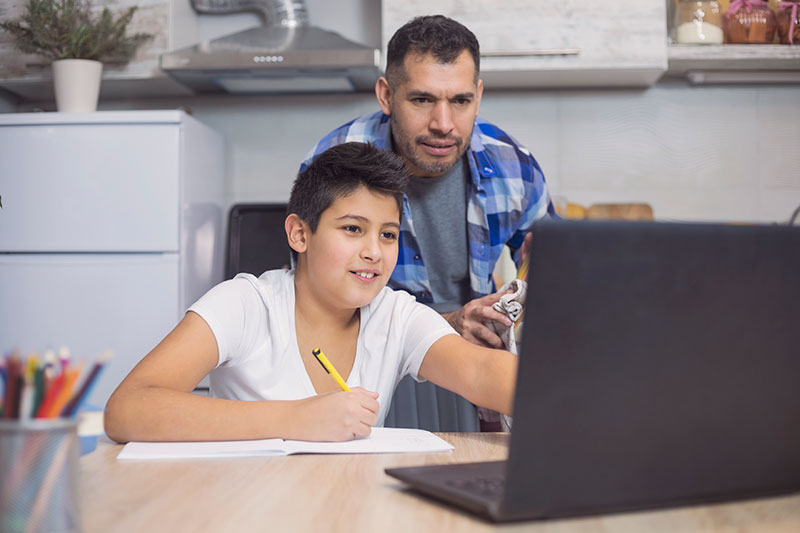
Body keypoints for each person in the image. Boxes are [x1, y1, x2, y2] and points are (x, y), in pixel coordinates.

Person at [104, 143, 517, 443]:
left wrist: (571, 397)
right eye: (353, 229)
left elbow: (481, 372)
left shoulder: (396, 315)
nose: (374, 251)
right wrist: (294, 418)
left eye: (388, 235)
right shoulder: (244, 304)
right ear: (300, 233)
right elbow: (128, 409)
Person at [301, 15, 557, 349]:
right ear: (386, 96)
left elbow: (554, 270)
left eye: (460, 101)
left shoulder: (514, 167)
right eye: (422, 100)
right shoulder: (334, 167)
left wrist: (543, 269)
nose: (443, 124)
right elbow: (318, 308)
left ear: (478, 96)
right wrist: (446, 324)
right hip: (368, 356)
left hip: (474, 356)